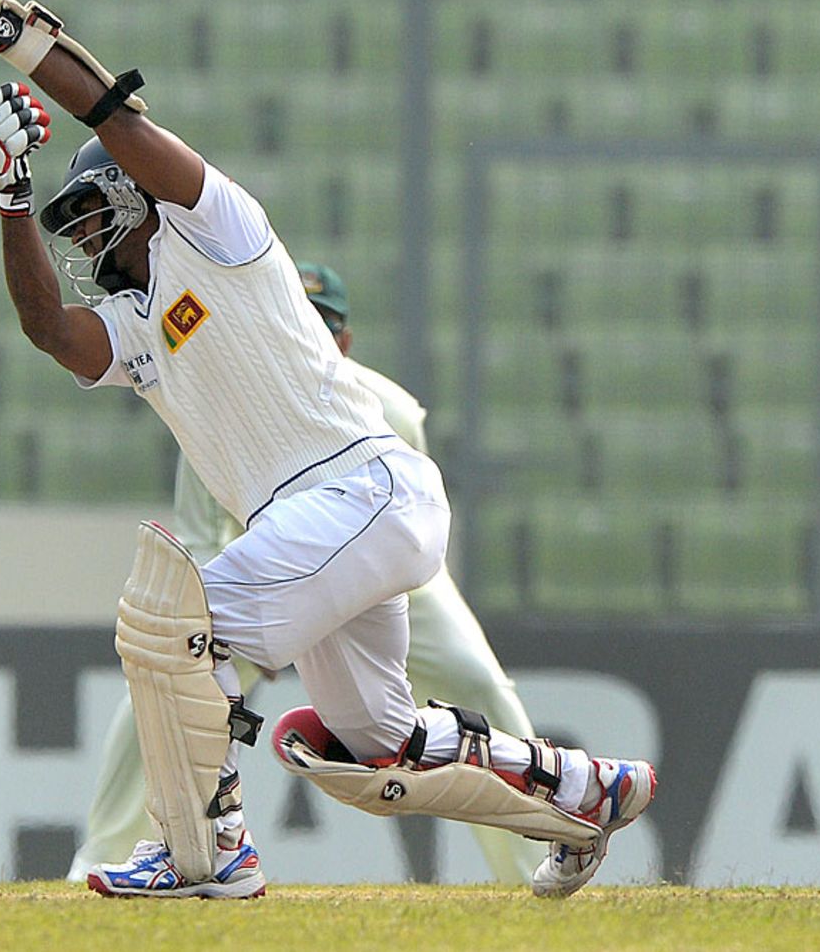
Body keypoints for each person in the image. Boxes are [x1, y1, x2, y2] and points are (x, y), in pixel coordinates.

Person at [0, 0, 655, 900]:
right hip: (325, 525)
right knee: (370, 751)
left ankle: (210, 853)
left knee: (173, 624)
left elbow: (114, 115)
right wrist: (13, 200)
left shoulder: (218, 230)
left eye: (95, 211)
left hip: (362, 488)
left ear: (141, 198)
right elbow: (48, 331)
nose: (86, 236)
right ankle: (586, 790)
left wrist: (8, 30)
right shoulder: (138, 325)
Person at [66, 261, 544, 886]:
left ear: (342, 344)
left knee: (474, 680)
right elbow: (205, 542)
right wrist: (255, 635)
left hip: (379, 562)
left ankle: (536, 854)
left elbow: (407, 539)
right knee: (162, 671)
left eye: (328, 325)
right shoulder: (221, 406)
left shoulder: (392, 408)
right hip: (257, 562)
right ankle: (107, 854)